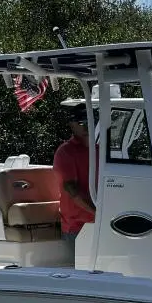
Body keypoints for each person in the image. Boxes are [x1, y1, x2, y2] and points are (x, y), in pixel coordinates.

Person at [53, 101, 96, 241]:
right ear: (72, 125)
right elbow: (72, 190)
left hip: (100, 224)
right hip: (77, 228)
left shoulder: (100, 150)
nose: (86, 126)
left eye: (89, 121)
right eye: (81, 122)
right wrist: (99, 212)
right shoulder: (65, 152)